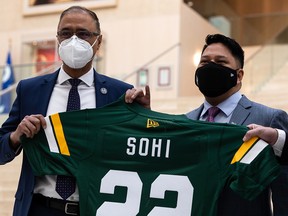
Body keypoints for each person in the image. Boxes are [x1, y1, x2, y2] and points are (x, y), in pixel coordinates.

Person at [0, 6, 149, 216]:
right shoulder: (30, 90)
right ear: (57, 39)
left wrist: (143, 120)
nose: (73, 40)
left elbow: (135, 155)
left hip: (96, 208)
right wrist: (16, 137)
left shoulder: (120, 93)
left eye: (83, 34)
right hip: (39, 208)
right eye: (66, 33)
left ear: (99, 43)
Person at [186, 33, 288, 216]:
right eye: (205, 62)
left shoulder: (268, 119)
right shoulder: (185, 122)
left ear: (239, 75)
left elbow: (284, 193)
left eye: (220, 62)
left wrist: (277, 139)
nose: (210, 67)